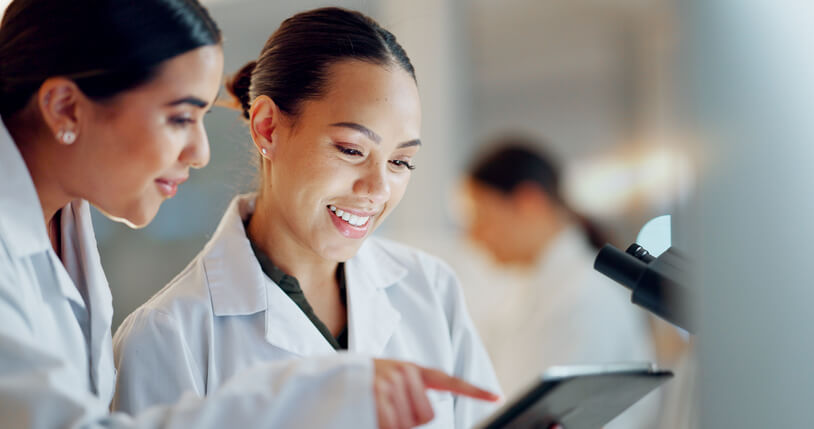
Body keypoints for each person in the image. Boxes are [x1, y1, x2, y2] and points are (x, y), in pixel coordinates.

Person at [0, 1, 497, 428]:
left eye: (403, 161)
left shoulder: (430, 287)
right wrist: (307, 395)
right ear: (267, 129)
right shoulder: (169, 331)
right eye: (349, 148)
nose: (200, 151)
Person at [457, 139, 659, 428]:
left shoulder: (586, 295)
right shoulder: (531, 289)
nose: (474, 237)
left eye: (481, 218)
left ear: (528, 202)